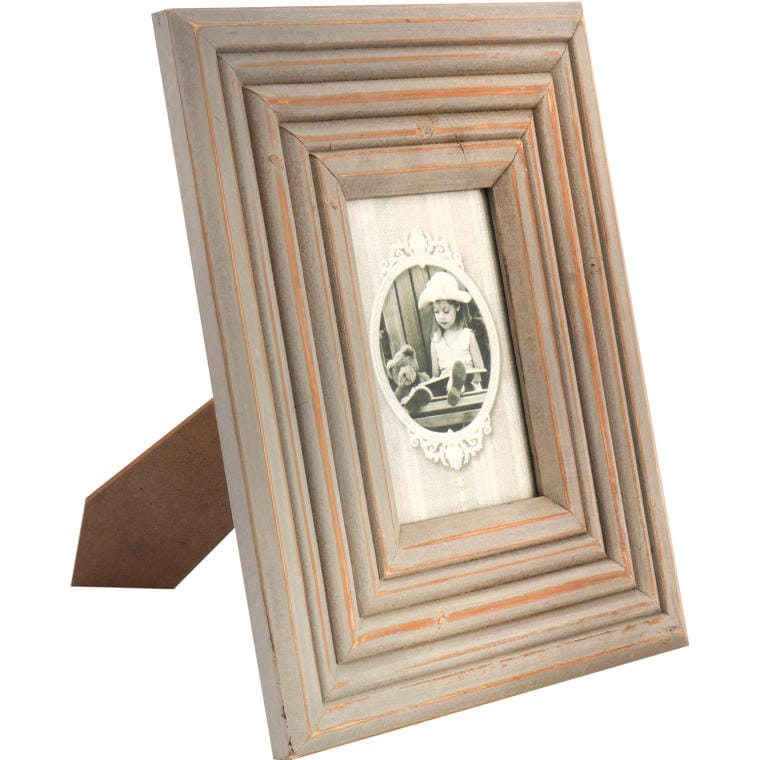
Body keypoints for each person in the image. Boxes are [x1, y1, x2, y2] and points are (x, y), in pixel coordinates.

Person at [410, 271, 486, 408]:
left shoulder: (467, 335)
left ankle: (456, 387)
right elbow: (435, 376)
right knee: (432, 388)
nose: (441, 317)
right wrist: (433, 384)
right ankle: (416, 398)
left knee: (456, 383)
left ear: (457, 307)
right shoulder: (436, 340)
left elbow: (480, 371)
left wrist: (467, 379)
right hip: (445, 391)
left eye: (446, 311)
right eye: (436, 311)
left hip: (468, 387)